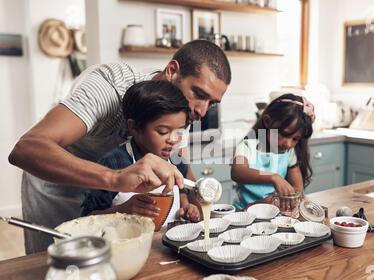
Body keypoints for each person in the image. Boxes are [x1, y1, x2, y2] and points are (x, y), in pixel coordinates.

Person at [8, 40, 231, 254]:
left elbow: (179, 161)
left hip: (113, 195)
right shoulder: (109, 87)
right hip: (58, 187)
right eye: (199, 94)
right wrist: (115, 178)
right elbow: (27, 148)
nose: (202, 111)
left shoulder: (181, 110)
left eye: (211, 103)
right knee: (57, 268)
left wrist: (196, 199)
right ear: (172, 71)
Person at [81, 80, 201, 224]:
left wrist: (187, 206)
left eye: (180, 132)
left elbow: (182, 194)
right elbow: (86, 219)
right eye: (163, 132)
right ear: (135, 127)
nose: (174, 140)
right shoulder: (114, 163)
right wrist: (124, 209)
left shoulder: (176, 161)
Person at [231, 94, 314, 211]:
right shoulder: (247, 146)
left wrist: (278, 200)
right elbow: (237, 171)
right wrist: (273, 177)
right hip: (245, 213)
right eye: (284, 134)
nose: (288, 144)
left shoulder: (289, 152)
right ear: (267, 122)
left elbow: (298, 189)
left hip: (274, 213)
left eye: (295, 139)